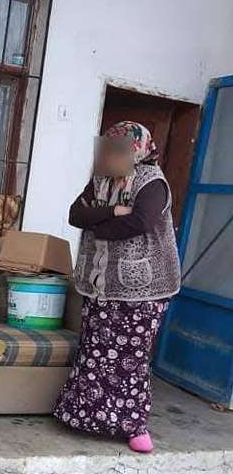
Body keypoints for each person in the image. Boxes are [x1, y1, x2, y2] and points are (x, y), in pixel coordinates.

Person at [57, 121, 181, 454]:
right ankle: (84, 416)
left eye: (121, 149)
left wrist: (99, 225)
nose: (113, 155)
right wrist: (111, 210)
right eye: (109, 148)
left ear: (138, 150)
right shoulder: (99, 180)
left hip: (143, 289)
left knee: (130, 358)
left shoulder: (152, 182)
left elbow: (139, 223)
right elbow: (75, 215)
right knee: (95, 352)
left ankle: (134, 426)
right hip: (99, 284)